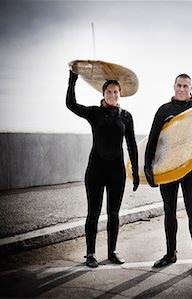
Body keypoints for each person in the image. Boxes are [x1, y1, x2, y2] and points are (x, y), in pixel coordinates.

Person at [66, 70, 139, 268]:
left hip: (117, 171)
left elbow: (131, 144)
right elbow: (71, 105)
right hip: (96, 170)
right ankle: (90, 254)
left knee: (114, 213)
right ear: (103, 93)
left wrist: (136, 172)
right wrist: (72, 81)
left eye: (116, 92)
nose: (113, 95)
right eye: (109, 92)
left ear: (120, 94)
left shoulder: (126, 116)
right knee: (93, 213)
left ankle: (112, 252)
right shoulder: (94, 113)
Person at [144, 74, 192, 275]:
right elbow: (152, 140)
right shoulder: (164, 110)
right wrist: (148, 169)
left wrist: (190, 127)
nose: (182, 88)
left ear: (191, 87)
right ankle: (170, 254)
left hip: (190, 168)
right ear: (174, 86)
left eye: (185, 86)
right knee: (169, 210)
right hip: (168, 169)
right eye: (179, 85)